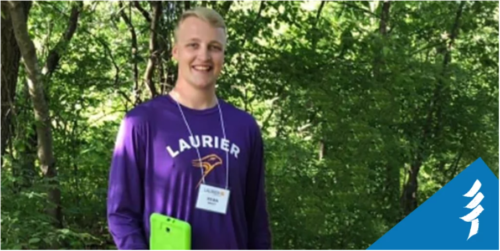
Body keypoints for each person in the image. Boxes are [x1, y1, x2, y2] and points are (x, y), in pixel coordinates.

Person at [106, 7, 272, 250]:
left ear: (223, 55)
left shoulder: (244, 126)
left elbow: (256, 220)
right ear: (176, 52)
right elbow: (121, 214)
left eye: (214, 47)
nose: (203, 56)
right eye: (193, 45)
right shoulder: (142, 122)